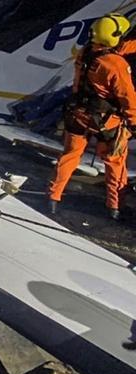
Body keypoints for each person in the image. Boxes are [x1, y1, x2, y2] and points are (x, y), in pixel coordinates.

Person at [48, 13, 136, 220]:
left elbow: (115, 50)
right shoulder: (116, 66)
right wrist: (134, 123)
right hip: (107, 122)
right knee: (114, 162)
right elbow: (128, 98)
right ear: (114, 37)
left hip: (78, 114)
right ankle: (115, 207)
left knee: (70, 156)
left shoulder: (85, 52)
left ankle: (53, 197)